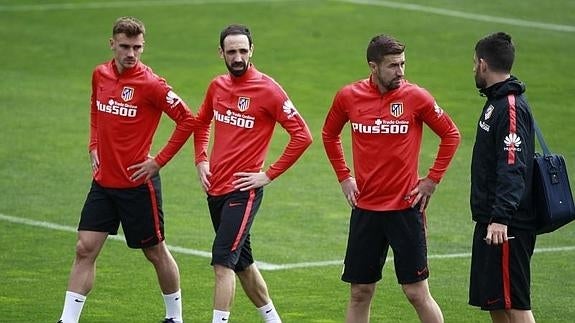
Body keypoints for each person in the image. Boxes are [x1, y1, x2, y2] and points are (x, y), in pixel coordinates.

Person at [57, 16, 195, 323]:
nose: (131, 53)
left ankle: (174, 317)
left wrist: (158, 161)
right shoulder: (100, 75)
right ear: (112, 44)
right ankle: (67, 319)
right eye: (124, 47)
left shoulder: (152, 85)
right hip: (104, 182)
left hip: (137, 184)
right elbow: (95, 105)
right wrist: (93, 143)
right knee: (84, 248)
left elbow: (189, 120)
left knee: (155, 252)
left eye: (137, 47)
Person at [322, 34, 460, 323]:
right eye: (393, 66)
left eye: (403, 64)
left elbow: (451, 134)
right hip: (366, 209)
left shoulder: (416, 97)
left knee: (415, 292)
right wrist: (344, 177)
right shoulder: (349, 96)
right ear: (373, 66)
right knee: (360, 291)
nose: (401, 71)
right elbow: (329, 134)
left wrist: (432, 180)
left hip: (405, 209)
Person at [194, 24, 312, 323]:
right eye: (231, 51)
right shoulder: (216, 86)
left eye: (243, 51)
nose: (238, 57)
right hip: (215, 189)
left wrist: (268, 175)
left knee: (222, 264)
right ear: (221, 52)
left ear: (252, 51)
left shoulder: (268, 90)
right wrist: (201, 160)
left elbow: (302, 135)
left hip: (243, 192)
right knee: (243, 264)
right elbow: (202, 122)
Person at [468, 32, 536, 323]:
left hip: (507, 223)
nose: (473, 69)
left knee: (516, 304)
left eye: (474, 63)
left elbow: (512, 165)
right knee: (496, 301)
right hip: (492, 219)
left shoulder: (509, 107)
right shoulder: (496, 102)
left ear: (483, 64)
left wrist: (501, 218)